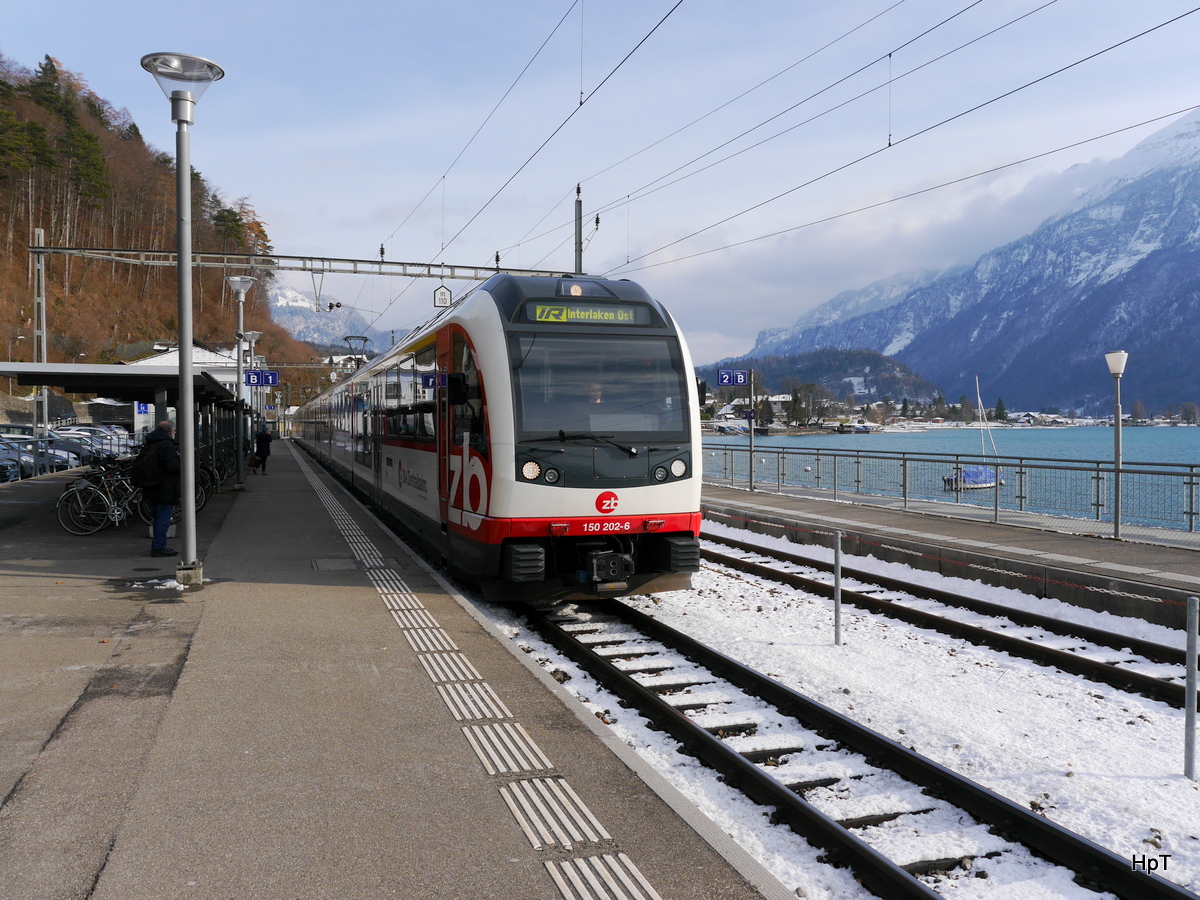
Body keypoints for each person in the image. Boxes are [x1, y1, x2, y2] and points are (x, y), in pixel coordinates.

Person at [141, 420, 181, 558]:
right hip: (165, 487)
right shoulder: (167, 446)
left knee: (157, 518)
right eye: (174, 432)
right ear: (170, 432)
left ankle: (158, 545)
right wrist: (183, 464)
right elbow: (171, 467)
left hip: (151, 486)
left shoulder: (150, 443)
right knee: (163, 519)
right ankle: (159, 547)